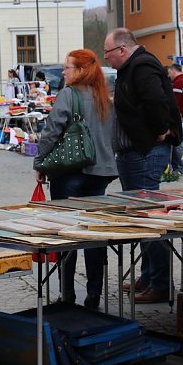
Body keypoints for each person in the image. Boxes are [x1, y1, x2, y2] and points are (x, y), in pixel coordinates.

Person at [34, 49, 118, 309]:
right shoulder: (104, 97)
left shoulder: (68, 95)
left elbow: (51, 131)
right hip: (101, 174)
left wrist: (40, 162)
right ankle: (94, 293)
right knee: (94, 235)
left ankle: (67, 292)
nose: (64, 72)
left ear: (81, 70)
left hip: (70, 171)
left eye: (67, 67)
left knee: (67, 234)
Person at [104, 28, 183, 303]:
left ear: (122, 50)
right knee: (141, 217)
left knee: (149, 217)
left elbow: (156, 100)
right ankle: (149, 276)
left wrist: (161, 130)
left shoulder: (142, 66)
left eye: (108, 52)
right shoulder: (132, 67)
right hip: (134, 152)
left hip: (145, 152)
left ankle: (160, 283)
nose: (107, 57)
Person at [167, 63, 183, 175]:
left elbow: (175, 104)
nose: (169, 75)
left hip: (180, 118)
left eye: (169, 72)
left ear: (173, 70)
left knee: (179, 144)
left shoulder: (178, 83)